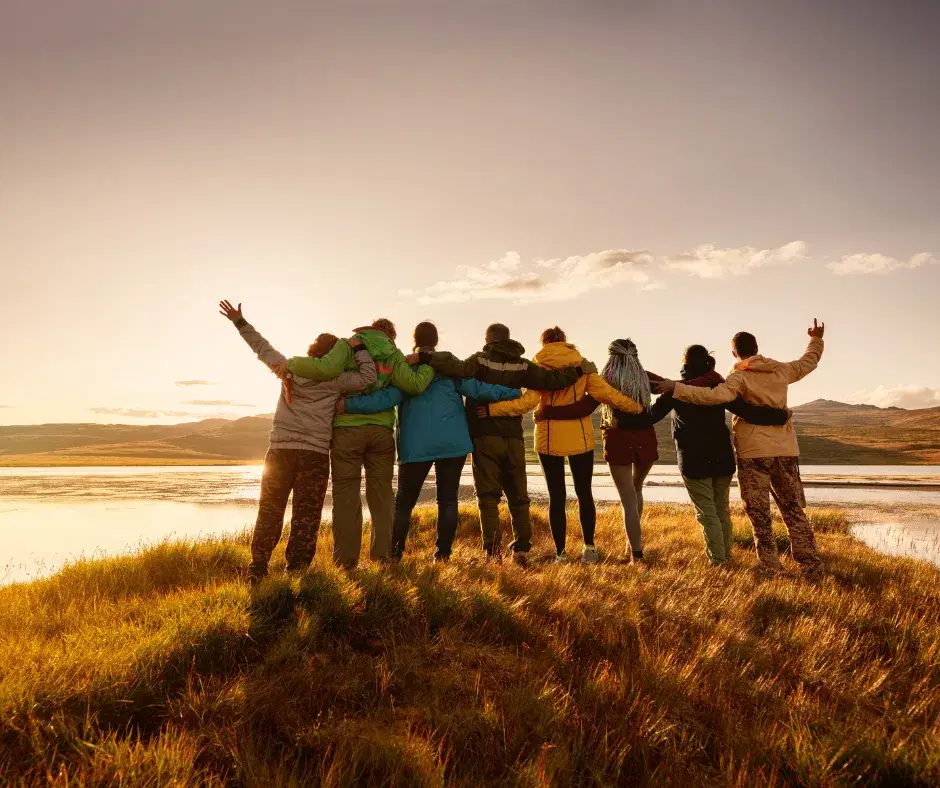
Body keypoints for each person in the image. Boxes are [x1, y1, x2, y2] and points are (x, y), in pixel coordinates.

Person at [217, 300, 377, 584]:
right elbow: (369, 377)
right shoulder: (338, 380)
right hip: (313, 455)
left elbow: (261, 346)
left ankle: (258, 567)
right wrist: (358, 349)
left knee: (270, 509)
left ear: (311, 351)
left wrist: (239, 322)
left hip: (279, 451)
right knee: (306, 514)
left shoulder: (289, 369)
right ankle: (297, 571)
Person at [656, 320, 827, 579]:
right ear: (757, 347)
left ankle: (771, 567)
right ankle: (811, 565)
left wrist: (676, 388)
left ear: (735, 353)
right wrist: (816, 339)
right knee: (793, 508)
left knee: (759, 514)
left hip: (753, 453)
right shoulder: (782, 370)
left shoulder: (739, 376)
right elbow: (809, 362)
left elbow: (713, 397)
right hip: (785, 450)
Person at [339, 321, 521, 562]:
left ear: (414, 340)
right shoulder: (448, 366)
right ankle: (442, 554)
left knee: (404, 501)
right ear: (436, 341)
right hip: (452, 444)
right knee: (447, 499)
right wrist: (512, 392)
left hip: (416, 445)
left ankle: (394, 553)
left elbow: (386, 398)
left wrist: (349, 405)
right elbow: (478, 389)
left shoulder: (404, 367)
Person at [413, 324, 591, 563]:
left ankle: (492, 552)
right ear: (508, 340)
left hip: (484, 436)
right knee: (519, 496)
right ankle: (522, 548)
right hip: (513, 437)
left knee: (488, 497)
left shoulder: (480, 360)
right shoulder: (522, 364)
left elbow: (457, 367)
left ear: (488, 340)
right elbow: (551, 380)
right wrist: (579, 371)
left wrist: (425, 356)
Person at [478, 327, 644, 563]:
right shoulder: (583, 365)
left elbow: (527, 402)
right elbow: (609, 394)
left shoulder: (539, 367)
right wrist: (637, 408)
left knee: (557, 496)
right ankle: (589, 548)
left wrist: (492, 409)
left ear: (544, 342)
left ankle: (561, 553)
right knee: (584, 493)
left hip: (547, 438)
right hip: (581, 438)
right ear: (565, 342)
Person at [282, 318, 434, 570]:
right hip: (380, 434)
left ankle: (346, 562)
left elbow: (325, 370)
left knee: (345, 495)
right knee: (382, 496)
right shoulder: (394, 354)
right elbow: (412, 385)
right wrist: (427, 365)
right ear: (391, 335)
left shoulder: (347, 344)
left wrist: (289, 364)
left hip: (346, 431)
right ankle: (382, 558)